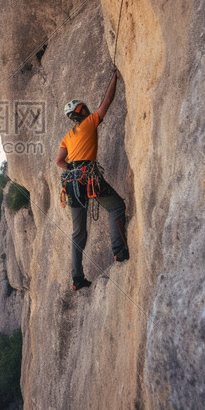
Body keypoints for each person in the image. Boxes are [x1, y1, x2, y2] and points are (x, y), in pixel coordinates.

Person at [56, 69, 128, 291]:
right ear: (83, 111)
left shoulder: (67, 136)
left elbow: (59, 161)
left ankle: (77, 279)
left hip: (72, 184)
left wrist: (74, 169)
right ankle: (119, 251)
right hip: (89, 178)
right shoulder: (90, 122)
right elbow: (107, 101)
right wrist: (114, 78)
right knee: (116, 206)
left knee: (78, 233)